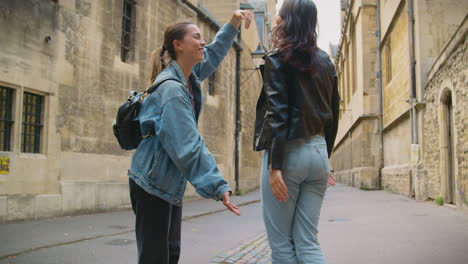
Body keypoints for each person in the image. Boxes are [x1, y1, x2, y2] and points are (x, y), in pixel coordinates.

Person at [128, 10, 252, 264]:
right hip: (151, 185)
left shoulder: (187, 78)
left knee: (170, 254)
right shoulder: (173, 90)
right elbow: (188, 146)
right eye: (196, 37)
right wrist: (217, 185)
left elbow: (214, 52)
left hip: (167, 184)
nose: (202, 41)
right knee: (156, 258)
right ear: (178, 45)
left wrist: (234, 21)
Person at [253, 0, 340, 263]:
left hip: (287, 155)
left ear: (287, 21)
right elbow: (333, 115)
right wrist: (326, 158)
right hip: (318, 155)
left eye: (280, 16)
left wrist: (275, 166)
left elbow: (278, 114)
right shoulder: (326, 62)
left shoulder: (278, 59)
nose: (276, 20)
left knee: (282, 245)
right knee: (307, 242)